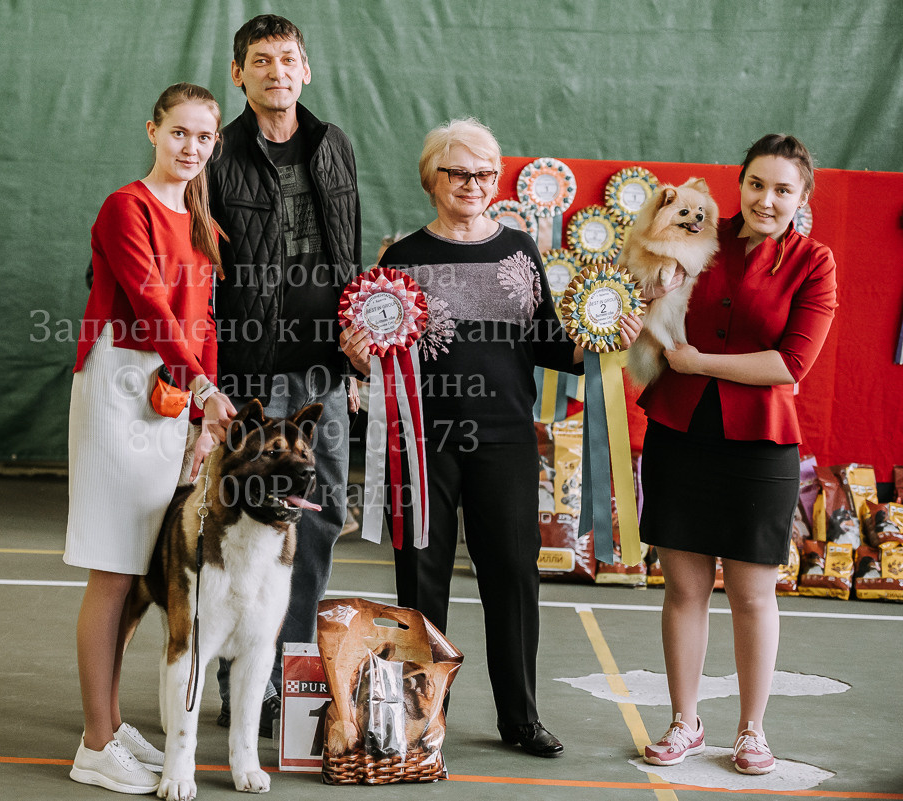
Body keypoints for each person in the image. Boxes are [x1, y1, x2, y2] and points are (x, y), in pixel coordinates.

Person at [340, 118, 640, 758]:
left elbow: (547, 342)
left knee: (512, 576)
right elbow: (380, 356)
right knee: (420, 581)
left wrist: (601, 338)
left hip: (505, 440)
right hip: (425, 442)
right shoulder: (402, 258)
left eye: (483, 173)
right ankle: (424, 718)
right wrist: (361, 357)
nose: (472, 185)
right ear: (432, 178)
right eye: (458, 173)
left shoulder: (520, 251)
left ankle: (519, 717)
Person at [638, 134, 837, 775]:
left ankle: (752, 730)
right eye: (756, 184)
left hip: (760, 444)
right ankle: (684, 722)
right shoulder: (696, 233)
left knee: (753, 594)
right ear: (740, 183)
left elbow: (791, 363)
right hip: (679, 430)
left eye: (782, 189)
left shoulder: (816, 263)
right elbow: (645, 290)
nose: (766, 199)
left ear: (802, 197)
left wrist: (699, 363)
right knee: (684, 588)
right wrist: (638, 295)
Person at [64, 83, 236, 795]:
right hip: (117, 389)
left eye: (203, 137)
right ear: (153, 130)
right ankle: (96, 742)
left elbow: (204, 327)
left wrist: (201, 420)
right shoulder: (124, 207)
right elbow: (151, 304)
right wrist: (201, 388)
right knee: (112, 571)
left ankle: (105, 723)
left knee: (139, 573)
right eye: (179, 132)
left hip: (172, 401)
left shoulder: (204, 224)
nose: (191, 147)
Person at [207, 13, 361, 734]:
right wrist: (217, 378)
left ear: (306, 71)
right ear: (239, 74)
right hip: (251, 377)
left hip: (323, 374)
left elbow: (348, 253)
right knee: (245, 521)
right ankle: (240, 673)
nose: (277, 71)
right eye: (261, 60)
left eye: (289, 58)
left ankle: (288, 669)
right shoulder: (218, 155)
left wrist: (356, 349)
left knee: (319, 515)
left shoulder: (336, 147)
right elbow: (201, 270)